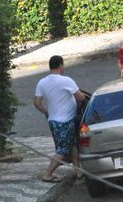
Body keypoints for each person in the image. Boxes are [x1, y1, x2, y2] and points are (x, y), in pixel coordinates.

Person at [34, 55, 86, 183]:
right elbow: (81, 98)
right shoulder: (66, 81)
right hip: (65, 121)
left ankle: (77, 170)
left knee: (72, 144)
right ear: (61, 65)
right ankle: (48, 173)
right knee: (63, 149)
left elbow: (37, 102)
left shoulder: (42, 82)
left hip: (53, 121)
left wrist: (47, 112)